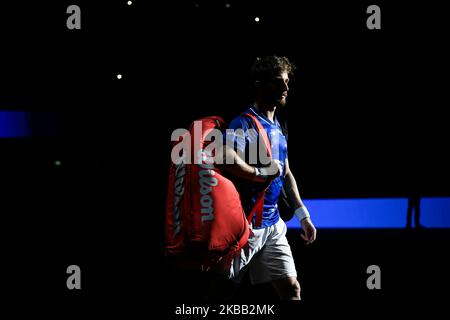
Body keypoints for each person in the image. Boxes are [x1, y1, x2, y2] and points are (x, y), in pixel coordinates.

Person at [210, 55, 317, 301]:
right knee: (219, 294)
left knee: (291, 289)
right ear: (260, 83)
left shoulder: (280, 125)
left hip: (274, 225)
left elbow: (286, 172)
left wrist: (303, 216)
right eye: (279, 82)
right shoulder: (244, 122)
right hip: (246, 227)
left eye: (287, 81)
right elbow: (224, 157)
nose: (286, 87)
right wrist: (260, 173)